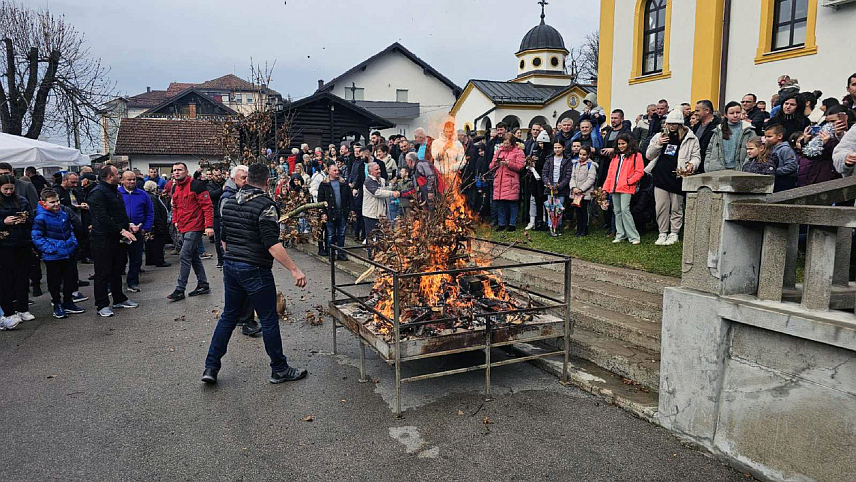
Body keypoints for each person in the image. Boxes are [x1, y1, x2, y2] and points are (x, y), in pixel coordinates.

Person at [202, 163, 308, 385]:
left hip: (231, 266)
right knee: (269, 319)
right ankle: (279, 369)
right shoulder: (266, 206)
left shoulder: (227, 201)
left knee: (229, 316)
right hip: (255, 268)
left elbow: (223, 239)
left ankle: (211, 367)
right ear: (267, 182)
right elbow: (271, 244)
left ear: (247, 179)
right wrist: (294, 269)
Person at [88, 165, 138, 317]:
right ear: (110, 176)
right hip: (103, 239)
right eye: (117, 174)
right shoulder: (97, 193)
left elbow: (119, 213)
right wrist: (121, 230)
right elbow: (102, 217)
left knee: (117, 270)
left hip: (117, 238)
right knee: (103, 272)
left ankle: (119, 299)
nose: (120, 176)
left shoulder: (114, 191)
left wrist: (128, 224)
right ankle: (102, 305)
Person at [646, 109, 701, 246]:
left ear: (680, 124)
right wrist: (658, 143)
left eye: (674, 124)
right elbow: (648, 155)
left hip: (678, 176)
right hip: (661, 175)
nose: (671, 126)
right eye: (669, 123)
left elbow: (696, 156)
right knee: (661, 207)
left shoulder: (690, 137)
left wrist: (692, 165)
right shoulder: (660, 135)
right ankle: (662, 232)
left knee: (676, 206)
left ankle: (674, 233)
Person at [31, 188, 85, 319]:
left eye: (57, 201)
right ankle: (57, 303)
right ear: (44, 203)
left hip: (68, 252)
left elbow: (70, 229)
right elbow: (36, 236)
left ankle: (68, 302)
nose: (56, 204)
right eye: (52, 202)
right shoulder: (40, 218)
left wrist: (73, 242)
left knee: (70, 279)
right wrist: (49, 249)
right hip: (53, 256)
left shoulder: (63, 214)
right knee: (54, 281)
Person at [166, 162, 214, 302]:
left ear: (186, 171)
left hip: (195, 226)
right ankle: (203, 284)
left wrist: (209, 225)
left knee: (184, 255)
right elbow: (175, 207)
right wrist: (175, 221)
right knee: (193, 256)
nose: (176, 172)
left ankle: (180, 289)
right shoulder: (175, 188)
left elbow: (207, 206)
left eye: (179, 170)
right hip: (182, 226)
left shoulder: (197, 185)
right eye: (174, 170)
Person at [0, 174, 34, 324]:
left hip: (22, 243)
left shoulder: (21, 200)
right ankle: (8, 311)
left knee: (22, 278)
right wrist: (3, 222)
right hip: (4, 246)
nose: (8, 192)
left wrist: (25, 219)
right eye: (5, 189)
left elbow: (32, 217)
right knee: (6, 280)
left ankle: (23, 308)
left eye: (11, 189)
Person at [604, 133, 645, 245]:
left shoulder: (636, 155)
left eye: (623, 143)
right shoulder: (615, 156)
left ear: (628, 143)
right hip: (614, 187)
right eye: (619, 144)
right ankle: (620, 234)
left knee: (625, 210)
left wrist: (629, 181)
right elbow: (610, 174)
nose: (621, 146)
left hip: (626, 187)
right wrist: (606, 188)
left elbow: (639, 171)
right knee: (617, 211)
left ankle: (633, 236)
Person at [118, 170, 154, 292]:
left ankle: (132, 282)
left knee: (136, 259)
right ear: (122, 180)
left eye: (133, 179)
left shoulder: (143, 195)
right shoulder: (117, 194)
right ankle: (114, 285)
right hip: (121, 232)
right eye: (129, 179)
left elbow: (150, 213)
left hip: (138, 232)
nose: (132, 182)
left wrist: (145, 228)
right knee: (118, 260)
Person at [705, 101, 755, 172]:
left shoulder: (748, 130)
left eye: (738, 112)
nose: (735, 115)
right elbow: (709, 150)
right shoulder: (718, 130)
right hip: (718, 170)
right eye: (731, 113)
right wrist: (708, 166)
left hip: (741, 170)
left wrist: (746, 166)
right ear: (725, 115)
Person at [490, 133, 525, 232]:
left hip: (511, 181)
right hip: (499, 181)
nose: (505, 145)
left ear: (512, 143)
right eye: (504, 143)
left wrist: (508, 163)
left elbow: (520, 167)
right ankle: (501, 224)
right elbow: (490, 166)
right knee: (501, 204)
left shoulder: (519, 152)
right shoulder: (499, 151)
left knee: (512, 204)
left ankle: (512, 224)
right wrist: (496, 163)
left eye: (507, 143)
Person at [317, 162, 352, 260]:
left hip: (342, 212)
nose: (337, 172)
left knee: (341, 234)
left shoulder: (343, 184)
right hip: (330, 213)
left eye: (337, 170)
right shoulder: (324, 185)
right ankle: (331, 254)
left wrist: (350, 210)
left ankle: (341, 253)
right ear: (329, 171)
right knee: (331, 234)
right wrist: (323, 213)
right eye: (334, 170)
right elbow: (320, 200)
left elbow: (349, 198)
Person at [362, 162, 398, 253]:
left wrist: (395, 187)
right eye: (376, 169)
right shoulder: (368, 182)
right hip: (371, 214)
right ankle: (371, 257)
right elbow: (377, 193)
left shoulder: (381, 180)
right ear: (370, 172)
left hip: (381, 214)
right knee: (371, 237)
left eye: (379, 169)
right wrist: (392, 193)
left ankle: (379, 256)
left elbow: (386, 188)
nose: (379, 171)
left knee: (381, 237)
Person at [541, 141, 572, 236]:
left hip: (560, 187)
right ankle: (551, 226)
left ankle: (557, 225)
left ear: (563, 148)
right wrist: (548, 184)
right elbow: (544, 173)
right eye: (555, 148)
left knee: (559, 207)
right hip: (550, 185)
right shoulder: (549, 159)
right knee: (551, 207)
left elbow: (568, 175)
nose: (557, 149)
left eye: (559, 147)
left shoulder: (567, 160)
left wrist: (559, 186)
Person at [568, 146, 597, 237]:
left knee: (584, 211)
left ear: (588, 155)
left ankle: (584, 229)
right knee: (578, 211)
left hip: (585, 193)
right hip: (576, 193)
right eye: (580, 154)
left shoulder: (591, 165)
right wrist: (573, 188)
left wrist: (581, 189)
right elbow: (572, 177)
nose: (582, 156)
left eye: (584, 155)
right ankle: (579, 228)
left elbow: (591, 179)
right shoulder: (575, 164)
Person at [764, 124, 798, 192]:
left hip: (785, 181)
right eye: (765, 137)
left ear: (779, 136)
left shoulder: (785, 149)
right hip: (774, 181)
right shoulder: (770, 148)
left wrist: (774, 171)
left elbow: (792, 166)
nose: (766, 139)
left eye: (769, 136)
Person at [143, 181, 170, 268]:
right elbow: (155, 212)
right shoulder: (152, 198)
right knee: (158, 243)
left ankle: (150, 260)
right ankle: (159, 261)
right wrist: (160, 225)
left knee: (150, 243)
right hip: (156, 225)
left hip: (152, 224)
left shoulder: (147, 196)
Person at [692, 100, 719, 173]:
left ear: (707, 110)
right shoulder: (696, 126)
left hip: (709, 166)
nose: (695, 113)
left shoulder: (718, 126)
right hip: (697, 165)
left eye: (697, 111)